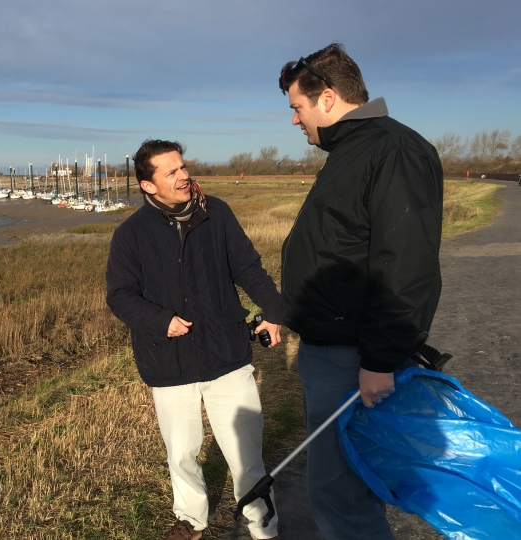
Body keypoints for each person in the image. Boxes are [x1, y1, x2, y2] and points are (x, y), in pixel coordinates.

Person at [278, 44, 443, 540]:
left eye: (296, 107)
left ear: (327, 98)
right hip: (334, 352)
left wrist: (378, 359)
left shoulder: (392, 149)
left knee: (340, 495)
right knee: (338, 489)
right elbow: (345, 247)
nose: (293, 121)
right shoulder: (353, 151)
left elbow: (405, 265)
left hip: (352, 359)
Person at [106, 139, 283, 540]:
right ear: (149, 185)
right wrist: (159, 320)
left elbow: (249, 268)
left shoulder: (215, 213)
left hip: (227, 355)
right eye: (171, 172)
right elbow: (119, 295)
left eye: (182, 167)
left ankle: (263, 526)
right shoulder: (130, 234)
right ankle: (190, 519)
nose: (184, 175)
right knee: (181, 453)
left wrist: (274, 311)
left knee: (245, 453)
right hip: (167, 361)